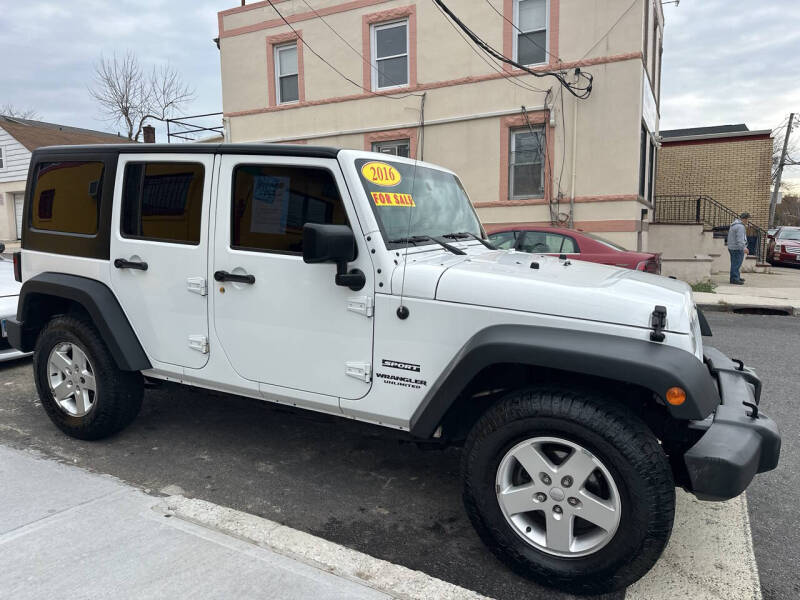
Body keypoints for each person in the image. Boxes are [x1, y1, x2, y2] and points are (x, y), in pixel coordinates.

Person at [727, 212, 750, 285]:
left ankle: (736, 277)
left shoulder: (734, 225)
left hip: (732, 247)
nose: (748, 221)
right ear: (744, 219)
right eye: (747, 219)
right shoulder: (740, 227)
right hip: (737, 248)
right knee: (736, 264)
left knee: (735, 263)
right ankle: (734, 279)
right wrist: (744, 248)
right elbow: (740, 239)